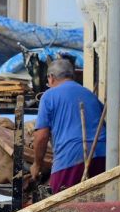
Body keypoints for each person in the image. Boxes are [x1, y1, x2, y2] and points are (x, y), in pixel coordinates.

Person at [30, 57, 105, 193]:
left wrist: (37, 164)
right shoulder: (90, 95)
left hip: (71, 157)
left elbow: (41, 136)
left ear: (51, 77)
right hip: (102, 155)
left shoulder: (49, 96)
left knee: (61, 207)